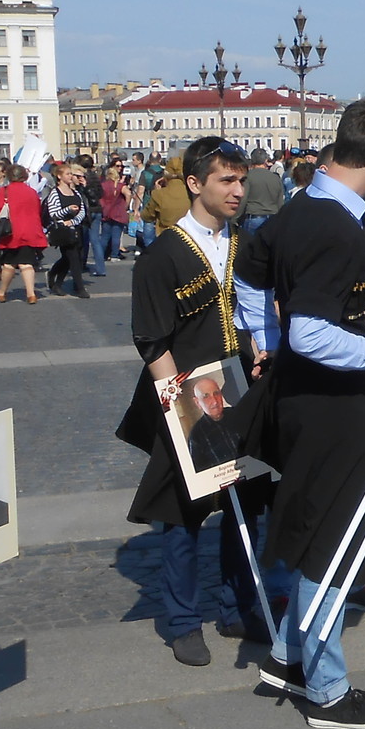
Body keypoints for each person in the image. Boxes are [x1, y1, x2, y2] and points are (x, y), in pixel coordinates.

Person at [240, 99, 365, 729]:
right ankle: (327, 690)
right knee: (335, 542)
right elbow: (311, 335)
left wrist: (260, 340)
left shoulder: (299, 209)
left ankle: (292, 655)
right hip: (328, 403)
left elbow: (251, 270)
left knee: (324, 528)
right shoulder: (337, 227)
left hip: (309, 399)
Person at [117, 136, 262, 669]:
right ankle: (182, 620)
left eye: (242, 180)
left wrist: (258, 354)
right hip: (183, 393)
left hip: (239, 390)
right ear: (195, 183)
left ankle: (236, 606)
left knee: (243, 502)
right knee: (184, 512)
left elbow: (254, 314)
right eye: (226, 180)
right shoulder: (163, 255)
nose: (237, 190)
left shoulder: (246, 244)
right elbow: (151, 338)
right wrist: (180, 401)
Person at [0, 163, 46, 303]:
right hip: (30, 231)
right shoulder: (31, 191)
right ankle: (31, 294)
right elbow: (38, 210)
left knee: (9, 263)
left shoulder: (5, 191)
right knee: (27, 263)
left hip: (12, 232)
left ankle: (2, 292)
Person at [42, 162, 90, 298]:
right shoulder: (55, 193)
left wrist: (74, 221)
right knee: (73, 257)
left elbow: (82, 210)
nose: (70, 176)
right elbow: (53, 213)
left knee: (69, 258)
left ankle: (55, 278)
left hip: (76, 228)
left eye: (71, 174)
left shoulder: (75, 192)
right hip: (63, 230)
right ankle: (79, 288)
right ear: (59, 176)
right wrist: (67, 212)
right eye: (68, 174)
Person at [183, 375, 241, 470]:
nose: (214, 401)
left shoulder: (238, 414)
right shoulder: (196, 436)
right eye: (206, 396)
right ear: (197, 402)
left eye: (216, 393)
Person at [242, 147, 286, 235]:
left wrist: (235, 219)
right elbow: (280, 201)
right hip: (272, 218)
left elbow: (243, 200)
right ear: (266, 160)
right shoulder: (275, 178)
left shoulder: (247, 177)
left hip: (253, 217)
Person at [98, 164, 131, 262]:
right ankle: (114, 255)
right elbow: (128, 193)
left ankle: (101, 255)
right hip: (118, 212)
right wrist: (126, 205)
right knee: (116, 236)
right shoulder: (120, 186)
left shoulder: (103, 185)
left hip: (106, 212)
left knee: (104, 236)